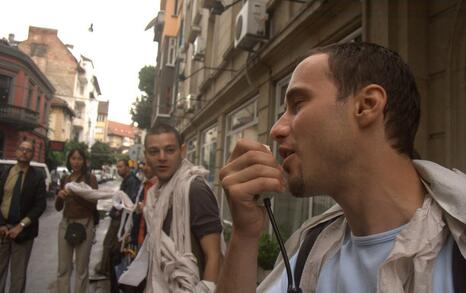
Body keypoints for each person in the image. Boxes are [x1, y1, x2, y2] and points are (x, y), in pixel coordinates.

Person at [216, 42, 466, 293]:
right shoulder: (310, 253)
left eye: (298, 104)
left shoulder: (457, 249)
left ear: (366, 105)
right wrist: (245, 235)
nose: (276, 130)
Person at [136, 123, 223, 292]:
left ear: (182, 151)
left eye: (169, 150)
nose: (162, 157)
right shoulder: (155, 194)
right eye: (154, 152)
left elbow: (215, 255)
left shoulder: (194, 189)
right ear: (146, 156)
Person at [0, 140, 46, 293]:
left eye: (28, 150)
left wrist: (21, 226)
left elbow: (40, 206)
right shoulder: (5, 173)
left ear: (32, 155)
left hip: (24, 232)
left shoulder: (37, 177)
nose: (24, 152)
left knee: (18, 276)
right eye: (22, 149)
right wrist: (1, 224)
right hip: (2, 231)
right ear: (16, 152)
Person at [55, 148, 98, 293]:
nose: (76, 162)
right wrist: (60, 197)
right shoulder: (65, 179)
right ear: (69, 160)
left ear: (84, 161)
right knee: (63, 268)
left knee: (81, 269)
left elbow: (93, 204)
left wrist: (75, 194)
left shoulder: (90, 178)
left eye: (79, 158)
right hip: (66, 224)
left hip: (85, 224)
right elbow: (58, 207)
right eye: (73, 158)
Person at [97, 158, 140, 291]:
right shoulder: (128, 180)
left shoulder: (132, 181)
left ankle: (109, 273)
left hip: (120, 220)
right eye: (118, 166)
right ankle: (108, 272)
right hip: (119, 219)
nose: (119, 169)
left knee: (113, 247)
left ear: (127, 167)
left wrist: (117, 213)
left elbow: (129, 202)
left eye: (121, 166)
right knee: (111, 247)